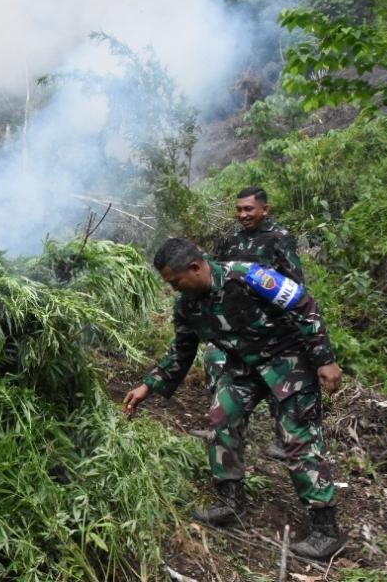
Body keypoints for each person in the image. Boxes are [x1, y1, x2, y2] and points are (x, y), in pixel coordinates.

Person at [123, 238, 344, 559]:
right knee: (221, 418)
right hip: (244, 367)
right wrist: (148, 386)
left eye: (175, 281)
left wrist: (324, 358)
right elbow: (182, 350)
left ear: (195, 267)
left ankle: (326, 530)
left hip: (288, 361)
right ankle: (230, 500)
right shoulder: (187, 305)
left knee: (297, 438)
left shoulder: (248, 277)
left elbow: (302, 304)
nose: (173, 289)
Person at [207, 187, 304, 455]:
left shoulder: (279, 239)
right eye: (239, 209)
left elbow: (295, 285)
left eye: (248, 209)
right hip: (235, 324)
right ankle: (224, 427)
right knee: (219, 368)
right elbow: (217, 273)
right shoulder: (231, 239)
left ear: (265, 209)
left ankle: (285, 440)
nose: (242, 214)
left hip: (271, 327)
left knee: (278, 385)